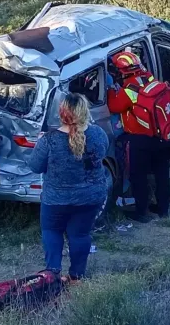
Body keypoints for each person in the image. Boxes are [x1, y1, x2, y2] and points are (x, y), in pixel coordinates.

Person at [29, 93, 109, 283]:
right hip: (91, 196)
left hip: (56, 199)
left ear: (62, 112)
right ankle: (76, 277)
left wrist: (39, 144)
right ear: (85, 111)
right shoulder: (98, 134)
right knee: (80, 234)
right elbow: (102, 154)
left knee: (52, 231)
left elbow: (35, 167)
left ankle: (52, 275)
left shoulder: (49, 140)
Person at [107, 51, 170, 223]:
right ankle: (163, 209)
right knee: (162, 174)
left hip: (141, 139)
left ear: (122, 72)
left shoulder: (128, 90)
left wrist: (111, 91)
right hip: (163, 135)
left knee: (138, 175)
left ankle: (141, 212)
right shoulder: (151, 79)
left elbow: (114, 106)